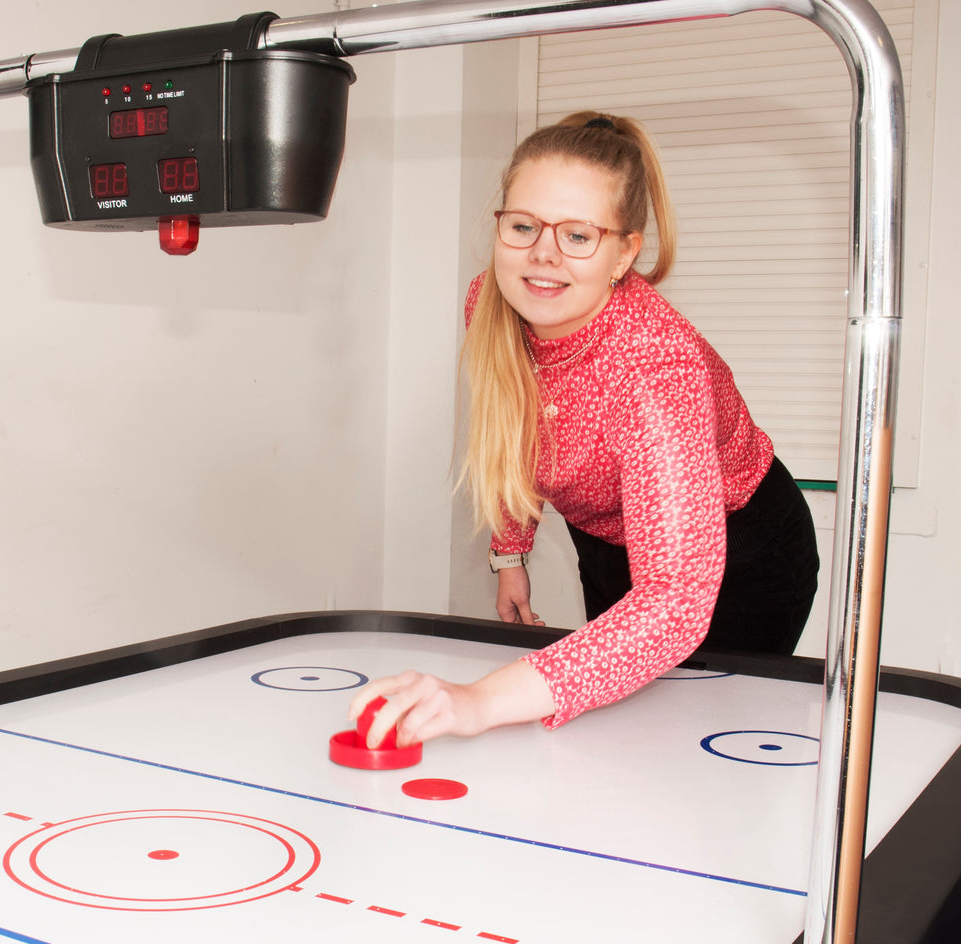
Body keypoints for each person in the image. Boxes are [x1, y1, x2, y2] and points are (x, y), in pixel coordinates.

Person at [351, 111, 819, 749]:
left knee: (692, 747)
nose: (542, 255)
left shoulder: (653, 366)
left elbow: (672, 604)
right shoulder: (492, 302)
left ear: (625, 251)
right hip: (608, 541)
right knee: (621, 735)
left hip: (743, 554)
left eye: (577, 236)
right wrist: (510, 554)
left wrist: (479, 701)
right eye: (523, 227)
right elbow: (515, 423)